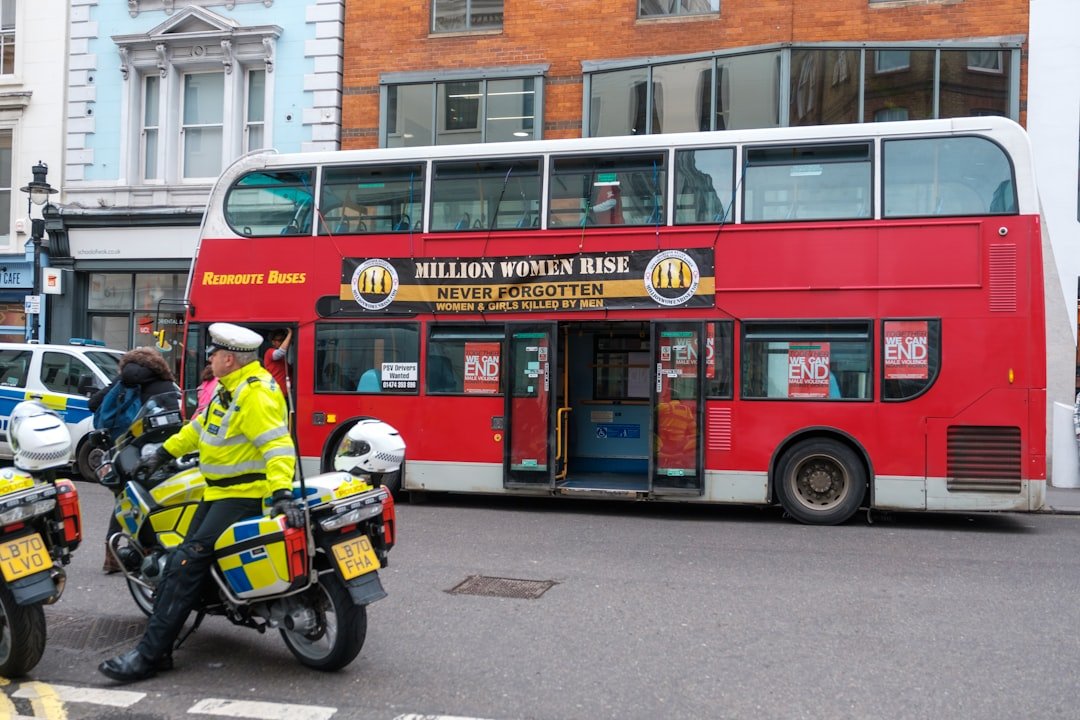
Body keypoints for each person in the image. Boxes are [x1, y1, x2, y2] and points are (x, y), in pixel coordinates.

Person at [98, 323, 301, 684]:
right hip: (218, 493)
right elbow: (198, 429)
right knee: (179, 559)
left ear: (228, 359)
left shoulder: (254, 394)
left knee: (184, 565)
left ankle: (149, 656)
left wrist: (282, 492)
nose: (209, 358)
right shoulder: (231, 388)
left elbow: (277, 446)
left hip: (243, 496)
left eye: (213, 354)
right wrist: (162, 453)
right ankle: (166, 640)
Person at [89, 347, 179, 575]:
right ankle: (142, 551)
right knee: (151, 500)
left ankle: (111, 553)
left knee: (123, 499)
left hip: (122, 449)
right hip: (154, 453)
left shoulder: (124, 380)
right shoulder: (165, 384)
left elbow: (93, 404)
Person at [263, 327, 292, 397]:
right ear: (273, 342)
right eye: (280, 340)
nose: (283, 342)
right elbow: (280, 353)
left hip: (283, 395)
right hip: (274, 394)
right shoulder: (269, 352)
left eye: (283, 340)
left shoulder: (283, 360)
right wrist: (290, 333)